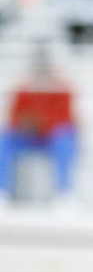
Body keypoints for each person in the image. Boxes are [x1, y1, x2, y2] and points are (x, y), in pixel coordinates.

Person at [0, 44, 78, 207]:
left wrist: (40, 124)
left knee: (65, 140)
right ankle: (2, 191)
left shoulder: (62, 90)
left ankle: (65, 193)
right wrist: (25, 125)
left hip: (52, 139)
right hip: (27, 138)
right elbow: (13, 117)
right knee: (4, 140)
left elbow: (66, 119)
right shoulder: (23, 90)